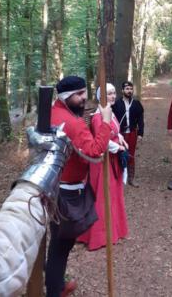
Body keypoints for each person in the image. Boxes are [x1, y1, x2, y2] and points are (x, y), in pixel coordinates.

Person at [45, 75, 111, 297]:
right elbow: (95, 151)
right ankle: (55, 289)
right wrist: (106, 122)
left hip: (51, 186)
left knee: (58, 243)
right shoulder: (72, 123)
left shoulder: (52, 112)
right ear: (65, 97)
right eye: (79, 95)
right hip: (66, 191)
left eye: (85, 92)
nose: (85, 98)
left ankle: (55, 281)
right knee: (61, 245)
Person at [77, 83, 129, 250]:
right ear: (102, 97)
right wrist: (118, 148)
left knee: (112, 196)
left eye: (114, 93)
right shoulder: (99, 117)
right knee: (103, 197)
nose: (113, 96)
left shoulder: (109, 113)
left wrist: (121, 137)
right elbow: (103, 141)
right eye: (109, 94)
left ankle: (114, 230)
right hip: (103, 164)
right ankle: (99, 236)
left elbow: (113, 131)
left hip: (112, 161)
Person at [112, 81, 145, 187]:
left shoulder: (136, 104)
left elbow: (140, 120)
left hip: (132, 133)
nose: (129, 91)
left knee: (131, 155)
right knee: (118, 154)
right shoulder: (116, 104)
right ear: (122, 90)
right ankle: (118, 177)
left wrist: (140, 133)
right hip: (119, 134)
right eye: (127, 89)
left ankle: (131, 178)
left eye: (131, 89)